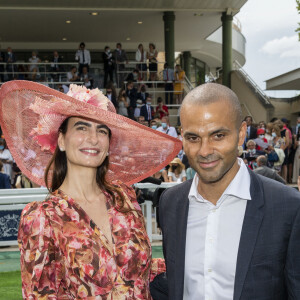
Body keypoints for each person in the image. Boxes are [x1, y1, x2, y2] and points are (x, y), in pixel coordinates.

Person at [0, 81, 182, 299]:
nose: (93, 138)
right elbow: (40, 293)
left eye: (102, 130)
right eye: (82, 128)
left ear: (108, 145)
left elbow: (133, 270)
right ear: (61, 140)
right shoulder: (42, 218)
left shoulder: (124, 198)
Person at [150, 83, 300, 300]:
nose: (204, 150)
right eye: (193, 138)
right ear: (182, 137)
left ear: (241, 134)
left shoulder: (288, 207)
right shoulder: (170, 203)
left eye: (218, 135)